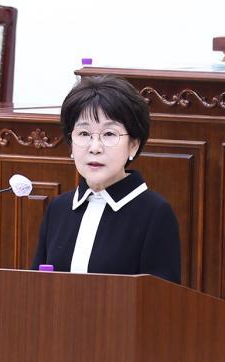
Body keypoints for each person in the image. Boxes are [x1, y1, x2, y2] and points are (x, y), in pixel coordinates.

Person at [31, 75, 181, 284]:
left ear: (133, 145)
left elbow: (160, 298)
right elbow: (37, 288)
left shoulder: (154, 212)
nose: (95, 147)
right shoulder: (59, 208)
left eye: (109, 134)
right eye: (84, 133)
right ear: (70, 143)